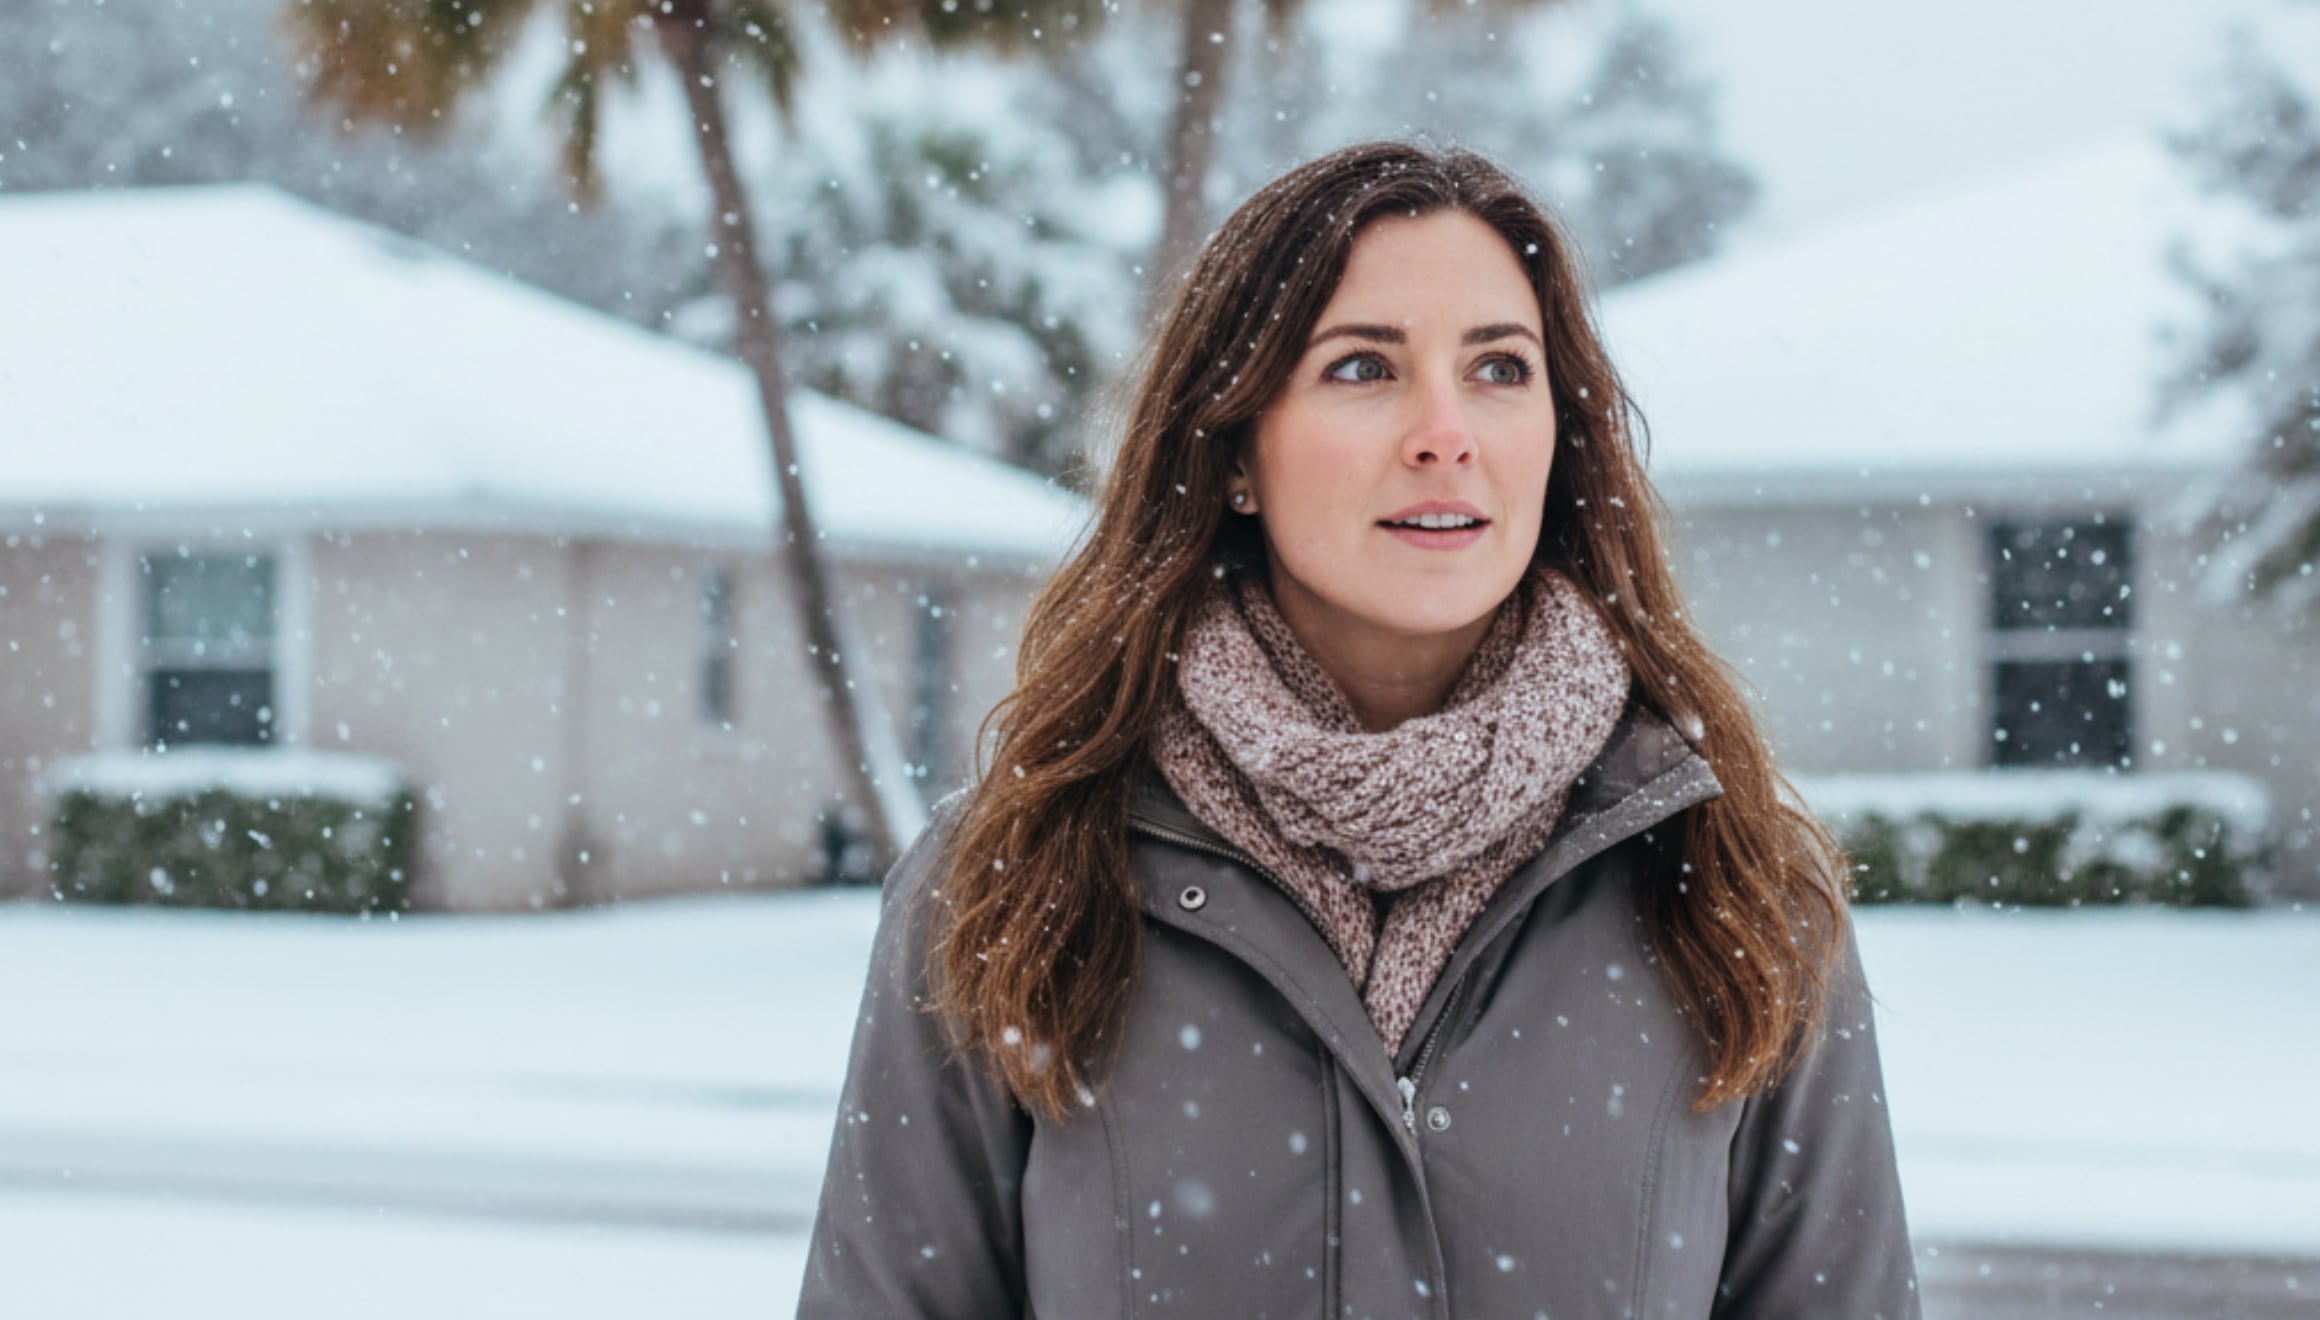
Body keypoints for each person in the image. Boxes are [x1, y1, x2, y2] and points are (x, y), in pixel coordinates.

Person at [797, 141, 1920, 1320]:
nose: (1446, 431)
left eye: (1498, 366)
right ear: (1234, 449)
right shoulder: (1015, 877)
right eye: (1361, 369)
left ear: (1557, 432)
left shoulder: (1733, 888)